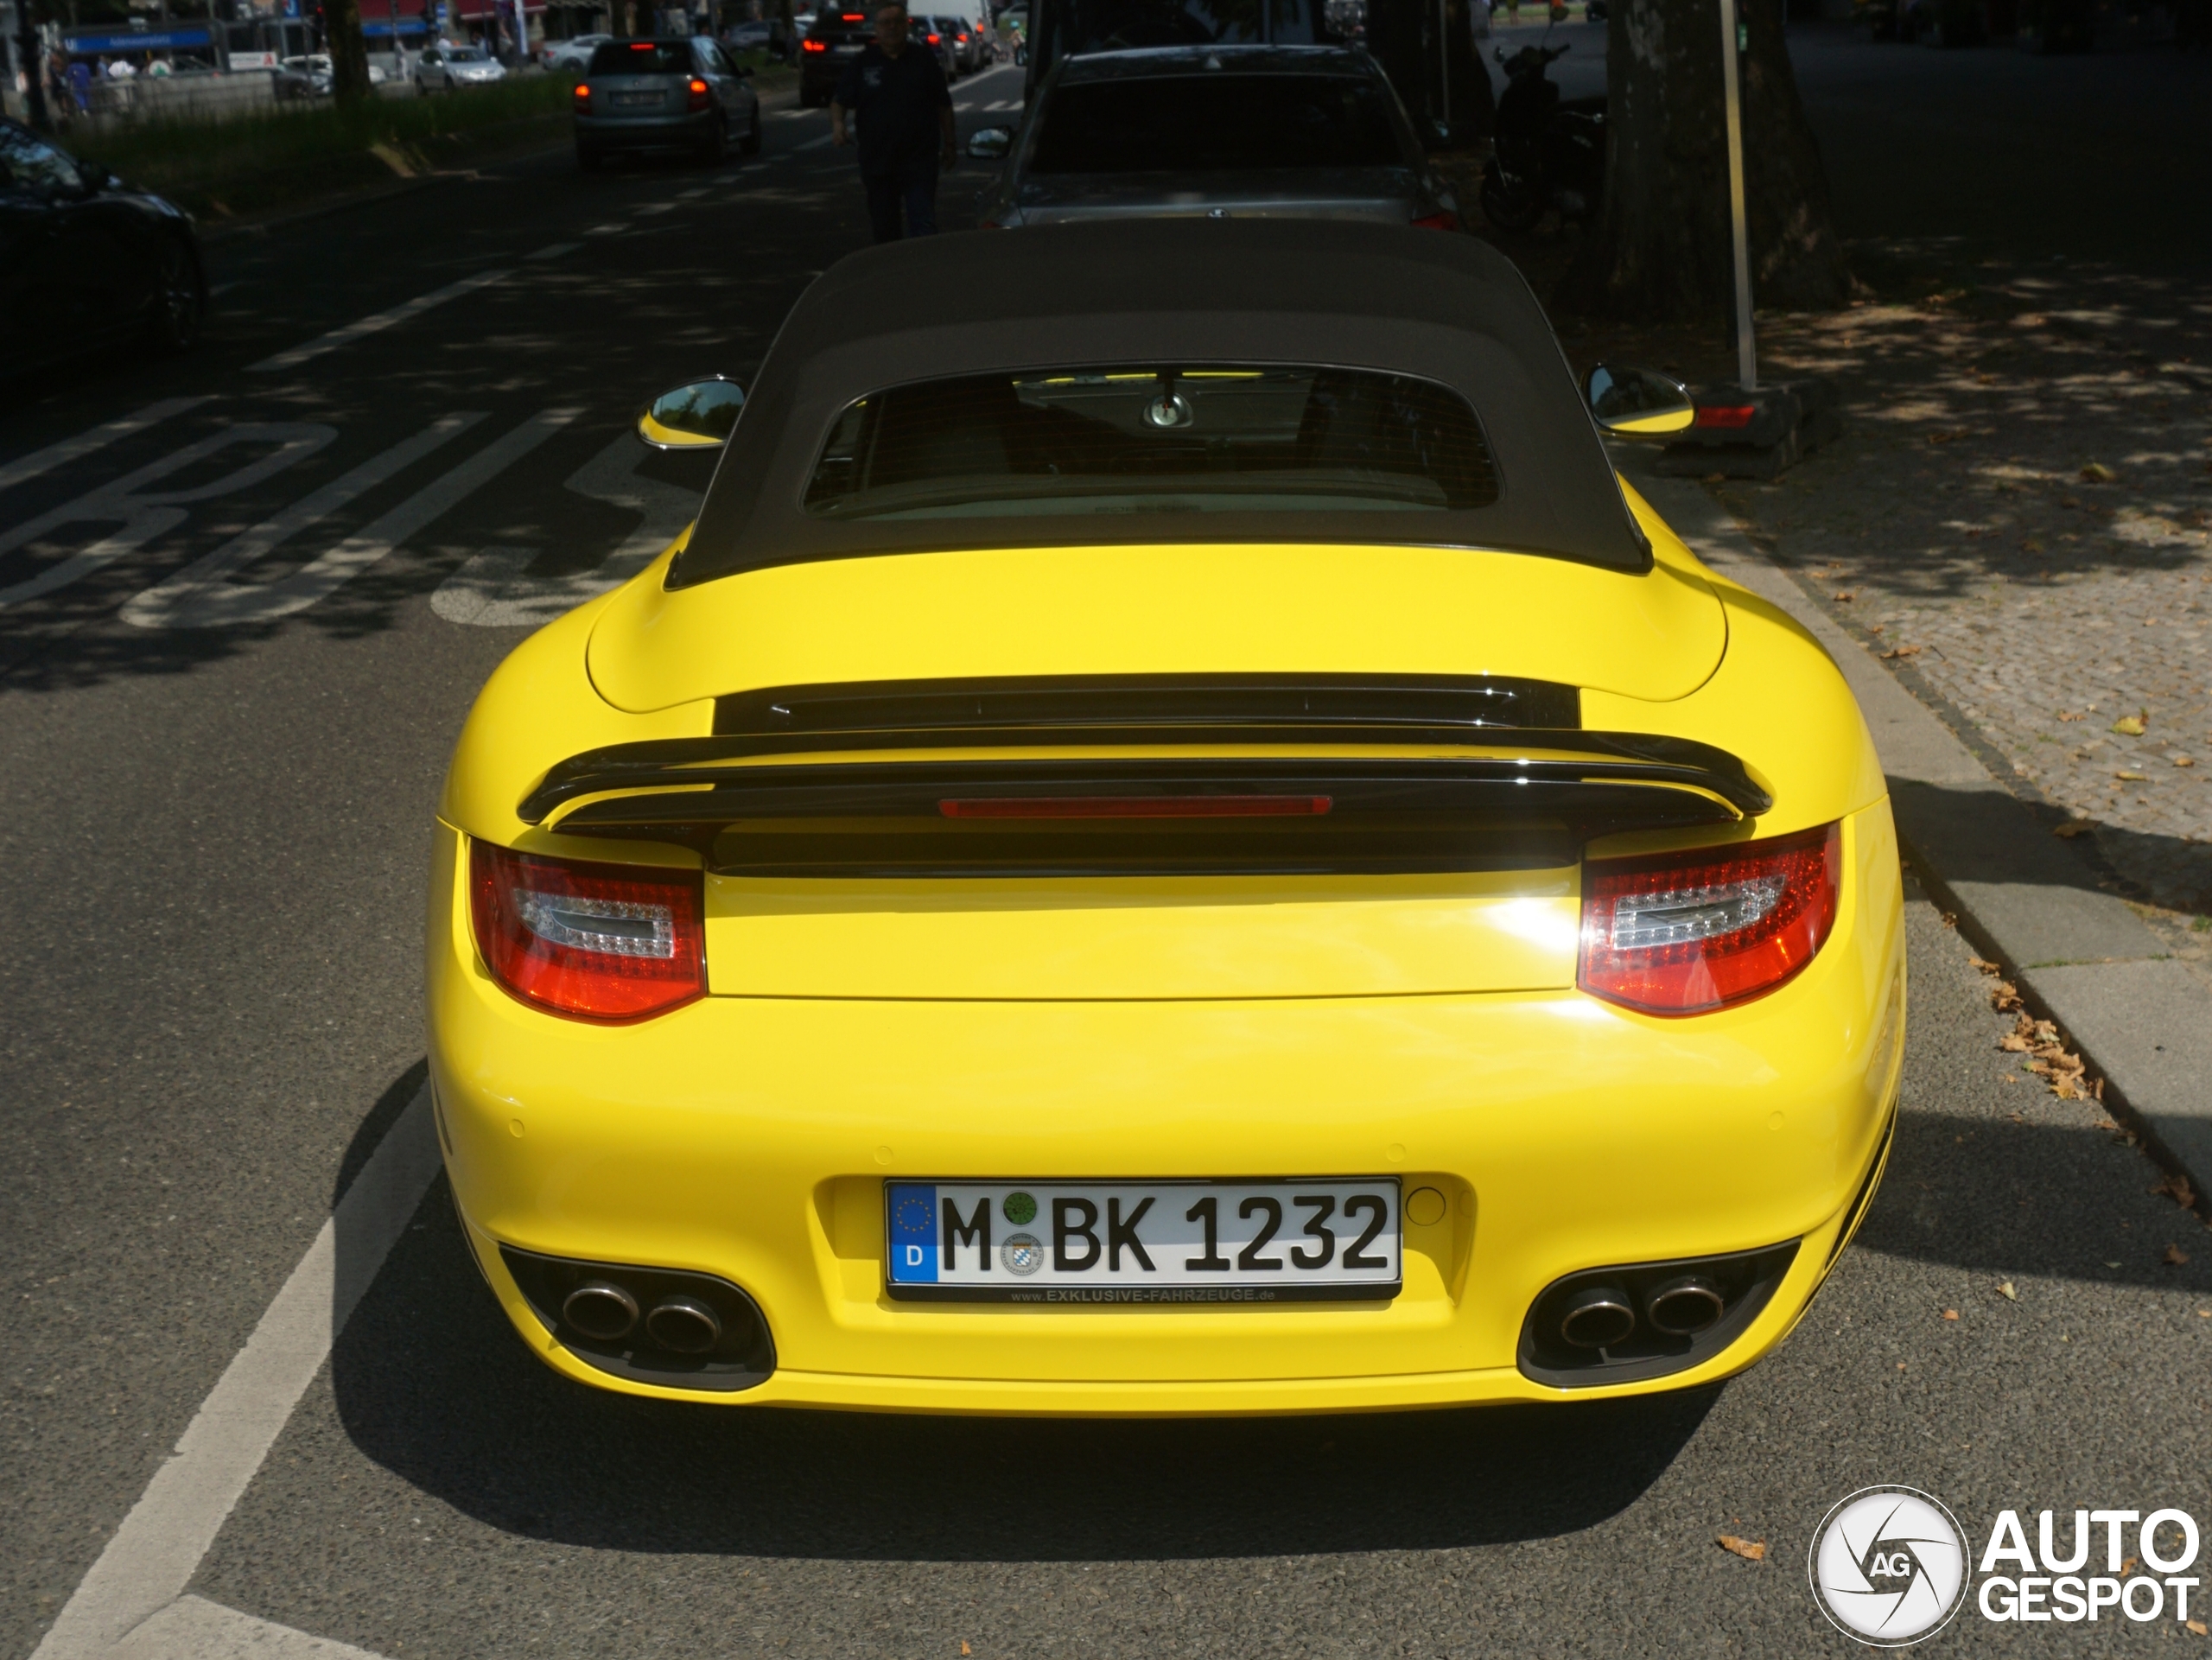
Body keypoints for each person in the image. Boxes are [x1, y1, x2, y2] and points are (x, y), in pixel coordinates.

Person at [830, 2, 955, 244]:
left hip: (919, 160)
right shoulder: (863, 62)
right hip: (878, 162)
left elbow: (943, 105)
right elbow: (839, 101)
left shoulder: (923, 59)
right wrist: (838, 125)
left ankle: (924, 276)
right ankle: (892, 278)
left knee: (924, 226)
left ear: (906, 25)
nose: (891, 28)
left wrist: (950, 143)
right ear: (876, 28)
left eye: (897, 21)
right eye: (885, 23)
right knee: (885, 230)